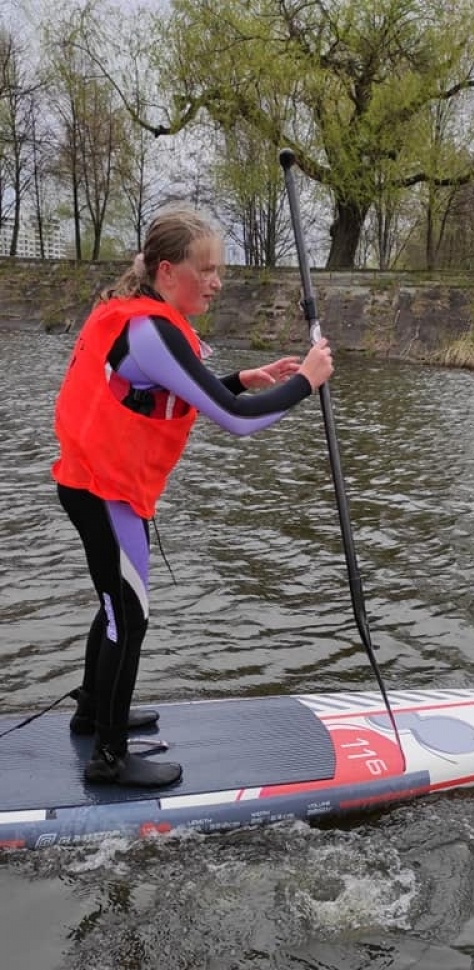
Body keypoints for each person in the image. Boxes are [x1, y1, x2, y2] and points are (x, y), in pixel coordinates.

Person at [52, 206, 334, 791]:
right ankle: (109, 757)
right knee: (127, 616)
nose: (216, 281)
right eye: (205, 269)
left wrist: (240, 379)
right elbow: (237, 421)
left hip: (92, 484)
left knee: (115, 606)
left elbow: (162, 394)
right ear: (166, 272)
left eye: (218, 270)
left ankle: (93, 713)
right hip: (103, 491)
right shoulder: (153, 330)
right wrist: (304, 382)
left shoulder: (140, 319)